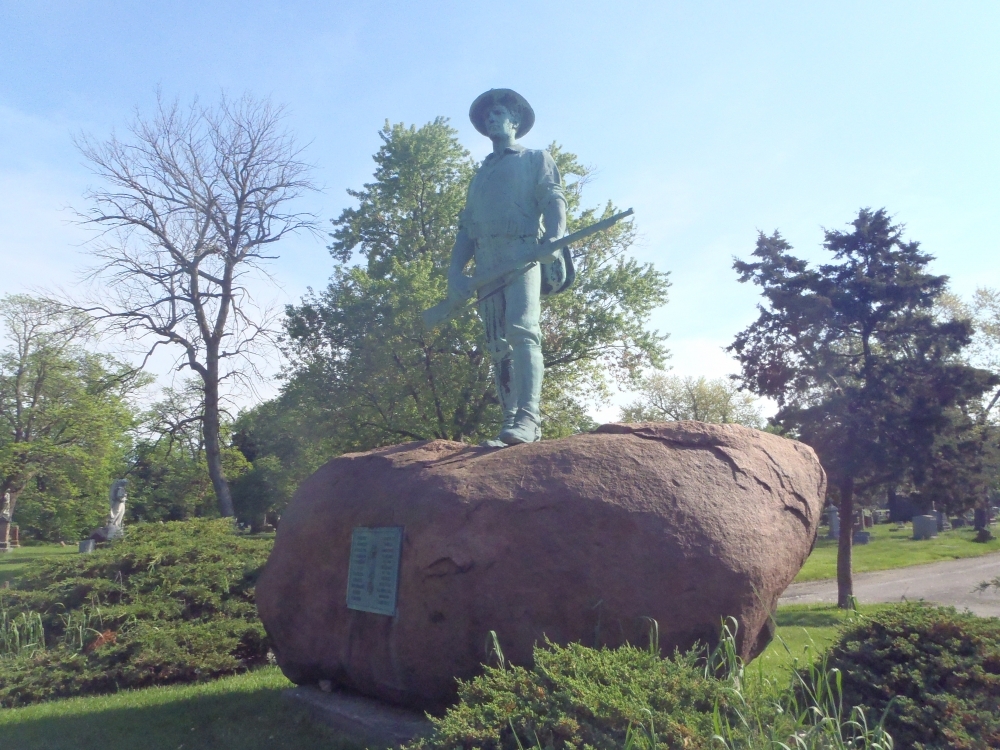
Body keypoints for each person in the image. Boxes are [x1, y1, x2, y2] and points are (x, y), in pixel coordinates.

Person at [447, 89, 571, 446]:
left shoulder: (535, 158)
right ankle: (508, 421)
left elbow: (553, 199)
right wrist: (455, 271)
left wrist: (555, 237)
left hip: (522, 252)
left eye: (498, 113)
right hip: (487, 260)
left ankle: (528, 419)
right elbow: (467, 228)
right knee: (497, 344)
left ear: (515, 121)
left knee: (522, 331)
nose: (491, 119)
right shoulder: (480, 174)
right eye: (487, 116)